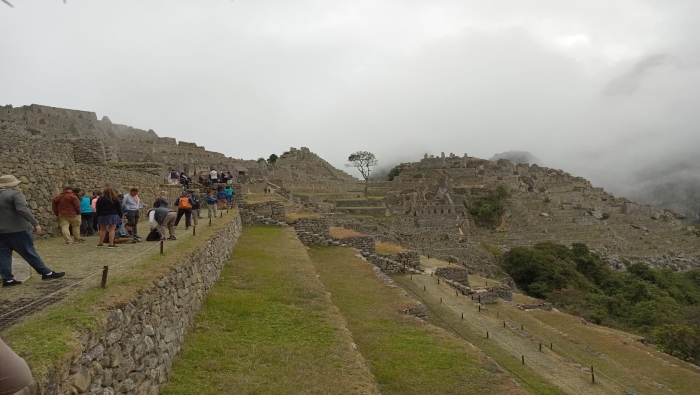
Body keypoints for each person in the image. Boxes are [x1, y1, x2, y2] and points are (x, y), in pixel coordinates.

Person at [0, 174, 65, 286]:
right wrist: (35, 223)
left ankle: (7, 279)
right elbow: (22, 209)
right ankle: (46, 273)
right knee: (29, 252)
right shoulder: (16, 194)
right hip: (18, 229)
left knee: (3, 255)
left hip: (1, 232)